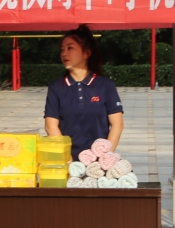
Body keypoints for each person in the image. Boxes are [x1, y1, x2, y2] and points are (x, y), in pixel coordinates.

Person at [44, 25, 124, 160]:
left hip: (99, 162)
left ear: (86, 53)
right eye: (62, 49)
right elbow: (50, 126)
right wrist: (68, 160)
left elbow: (117, 124)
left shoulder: (106, 85)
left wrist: (103, 158)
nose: (64, 54)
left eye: (70, 48)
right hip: (68, 162)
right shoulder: (56, 87)